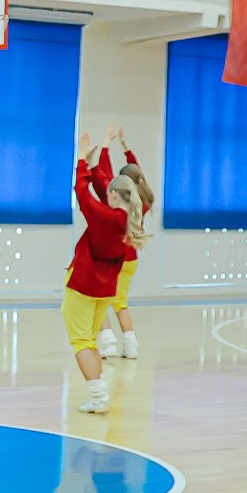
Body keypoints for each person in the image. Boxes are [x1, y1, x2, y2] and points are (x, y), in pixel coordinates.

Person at [65, 127, 145, 413]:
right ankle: (100, 396)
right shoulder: (129, 219)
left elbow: (82, 190)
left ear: (113, 194)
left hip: (84, 285)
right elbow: (94, 188)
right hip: (105, 289)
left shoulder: (104, 217)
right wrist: (101, 150)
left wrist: (83, 158)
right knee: (92, 339)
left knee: (81, 341)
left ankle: (99, 397)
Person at [102, 150, 153, 356]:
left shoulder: (116, 210)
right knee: (120, 302)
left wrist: (106, 148)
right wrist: (127, 149)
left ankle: (108, 342)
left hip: (116, 260)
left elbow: (105, 176)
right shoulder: (144, 203)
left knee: (100, 300)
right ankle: (131, 345)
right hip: (132, 260)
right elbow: (137, 175)